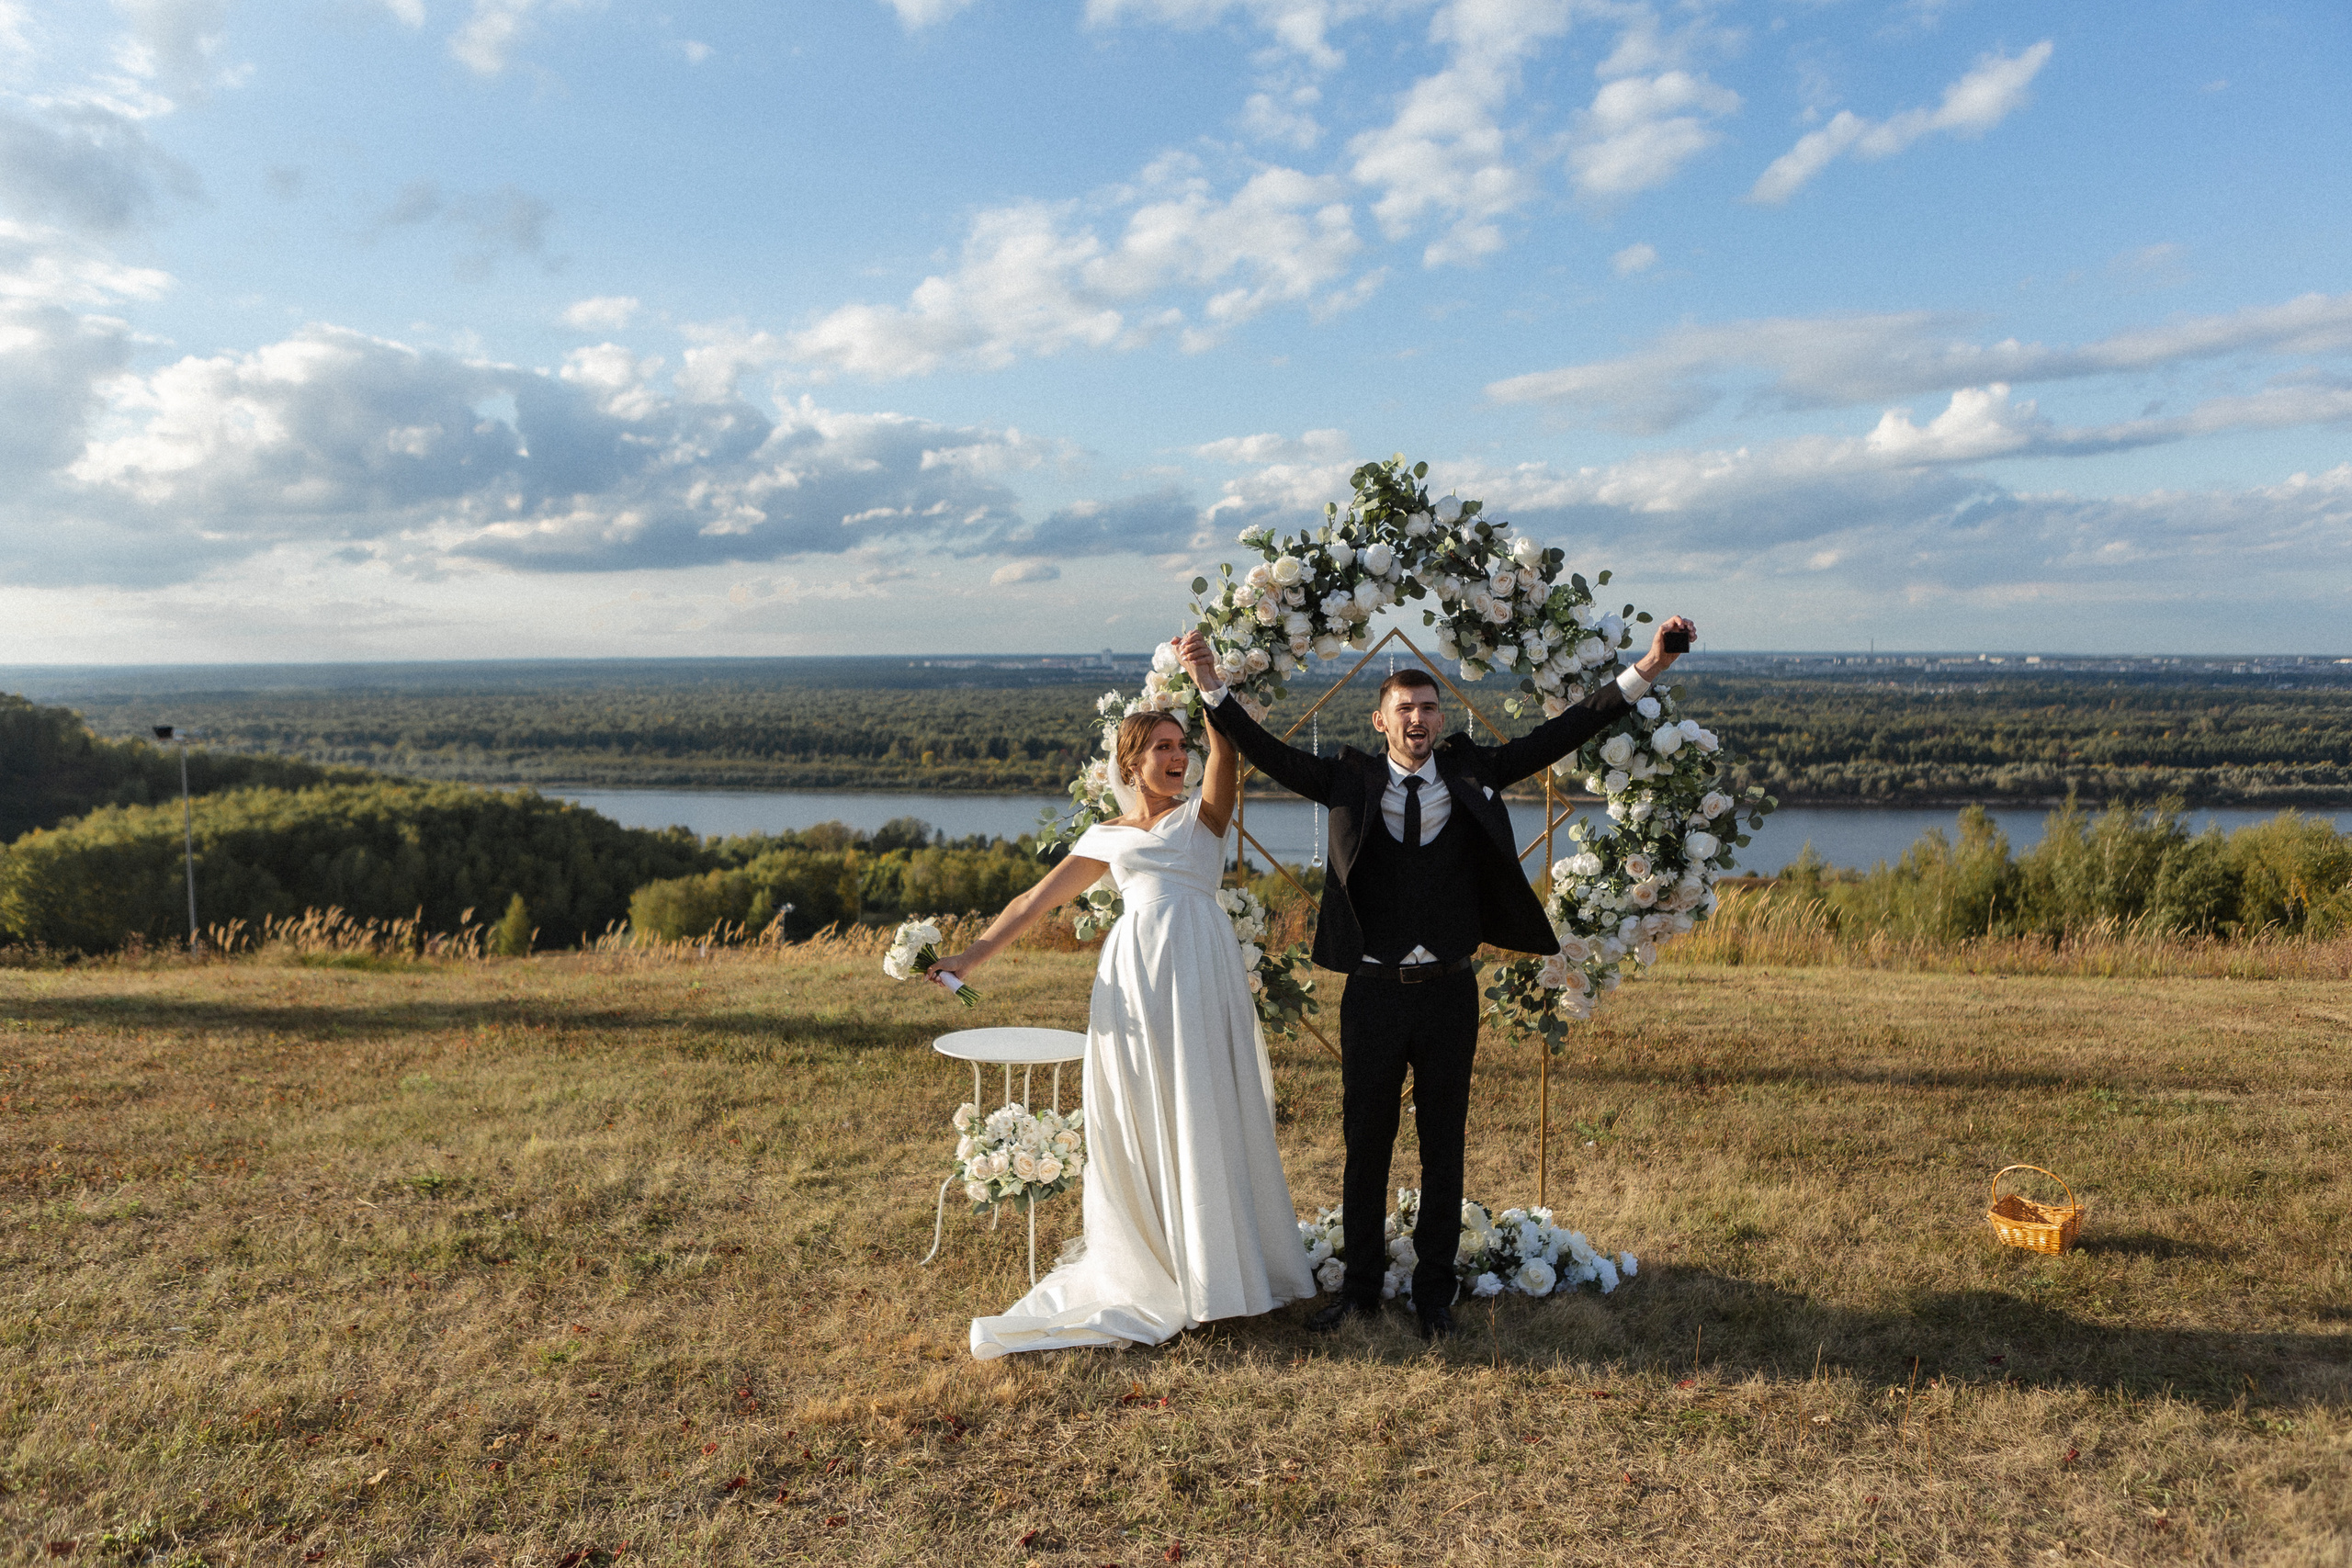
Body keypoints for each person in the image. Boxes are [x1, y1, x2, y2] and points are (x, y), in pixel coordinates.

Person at [1179, 618, 1693, 1339]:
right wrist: (1209, 684)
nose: (1418, 719)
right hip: (1372, 991)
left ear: (1439, 718)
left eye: (1428, 708)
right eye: (1405, 708)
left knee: (1444, 1143)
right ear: (1381, 719)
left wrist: (1650, 666)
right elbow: (1262, 750)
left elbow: (1568, 730)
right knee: (1366, 1142)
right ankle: (1358, 1291)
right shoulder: (1345, 779)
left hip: (1451, 991)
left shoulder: (1472, 771)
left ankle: (1433, 1295)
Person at [928, 675, 1314, 1359]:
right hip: (1133, 981)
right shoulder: (1106, 835)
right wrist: (970, 954)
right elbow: (1033, 902)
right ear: (1130, 762)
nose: (1177, 755)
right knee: (1140, 1110)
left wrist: (1210, 687)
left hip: (1200, 972)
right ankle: (1157, 1262)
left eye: (1181, 745)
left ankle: (1219, 1270)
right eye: (1161, 746)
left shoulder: (1203, 815)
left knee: (1203, 1105)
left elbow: (1226, 759)